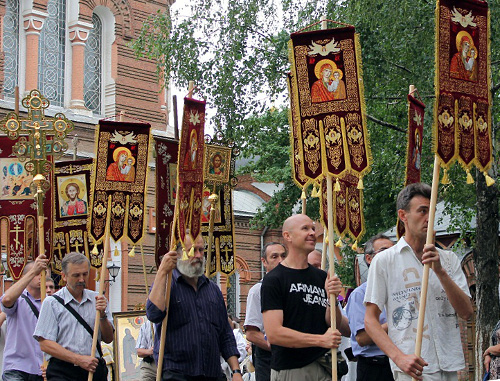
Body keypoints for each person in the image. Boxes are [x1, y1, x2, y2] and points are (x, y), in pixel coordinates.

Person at [364, 183, 473, 380]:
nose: (428, 218)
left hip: (449, 364)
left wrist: (440, 271)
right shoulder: (385, 261)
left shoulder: (448, 259)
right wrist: (399, 358)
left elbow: (466, 312)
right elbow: (370, 320)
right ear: (403, 215)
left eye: (431, 211)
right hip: (412, 367)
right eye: (422, 211)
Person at [261, 214, 350, 380]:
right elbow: (274, 333)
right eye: (305, 228)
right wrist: (320, 340)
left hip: (324, 367)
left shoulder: (321, 277)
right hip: (292, 368)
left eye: (313, 229)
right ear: (287, 236)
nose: (312, 233)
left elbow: (334, 324)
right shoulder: (274, 279)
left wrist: (333, 300)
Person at [146, 234, 243, 381]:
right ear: (177, 254)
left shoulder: (213, 290)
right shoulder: (167, 285)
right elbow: (153, 314)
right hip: (177, 374)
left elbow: (225, 334)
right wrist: (162, 272)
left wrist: (236, 371)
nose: (198, 256)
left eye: (201, 250)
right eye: (192, 251)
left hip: (212, 373)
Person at [34, 252, 114, 381]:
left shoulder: (98, 299)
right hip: (63, 370)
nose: (82, 279)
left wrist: (103, 315)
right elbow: (45, 344)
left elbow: (108, 338)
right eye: (76, 275)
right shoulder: (52, 303)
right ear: (64, 276)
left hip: (93, 368)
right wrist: (78, 359)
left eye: (85, 274)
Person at [345, 234, 395, 381]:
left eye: (394, 251)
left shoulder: (402, 289)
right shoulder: (361, 294)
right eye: (384, 251)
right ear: (369, 258)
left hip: (401, 363)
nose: (391, 256)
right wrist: (395, 322)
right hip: (375, 367)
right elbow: (363, 338)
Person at [1, 255, 48, 380]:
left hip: (42, 369)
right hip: (17, 367)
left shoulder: (50, 303)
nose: (41, 277)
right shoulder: (18, 299)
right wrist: (34, 270)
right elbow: (6, 299)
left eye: (44, 273)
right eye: (38, 273)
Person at [244, 242, 287, 381]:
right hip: (269, 360)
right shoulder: (257, 291)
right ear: (264, 261)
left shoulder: (292, 288)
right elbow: (252, 333)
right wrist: (280, 348)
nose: (280, 261)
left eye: (283, 256)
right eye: (274, 256)